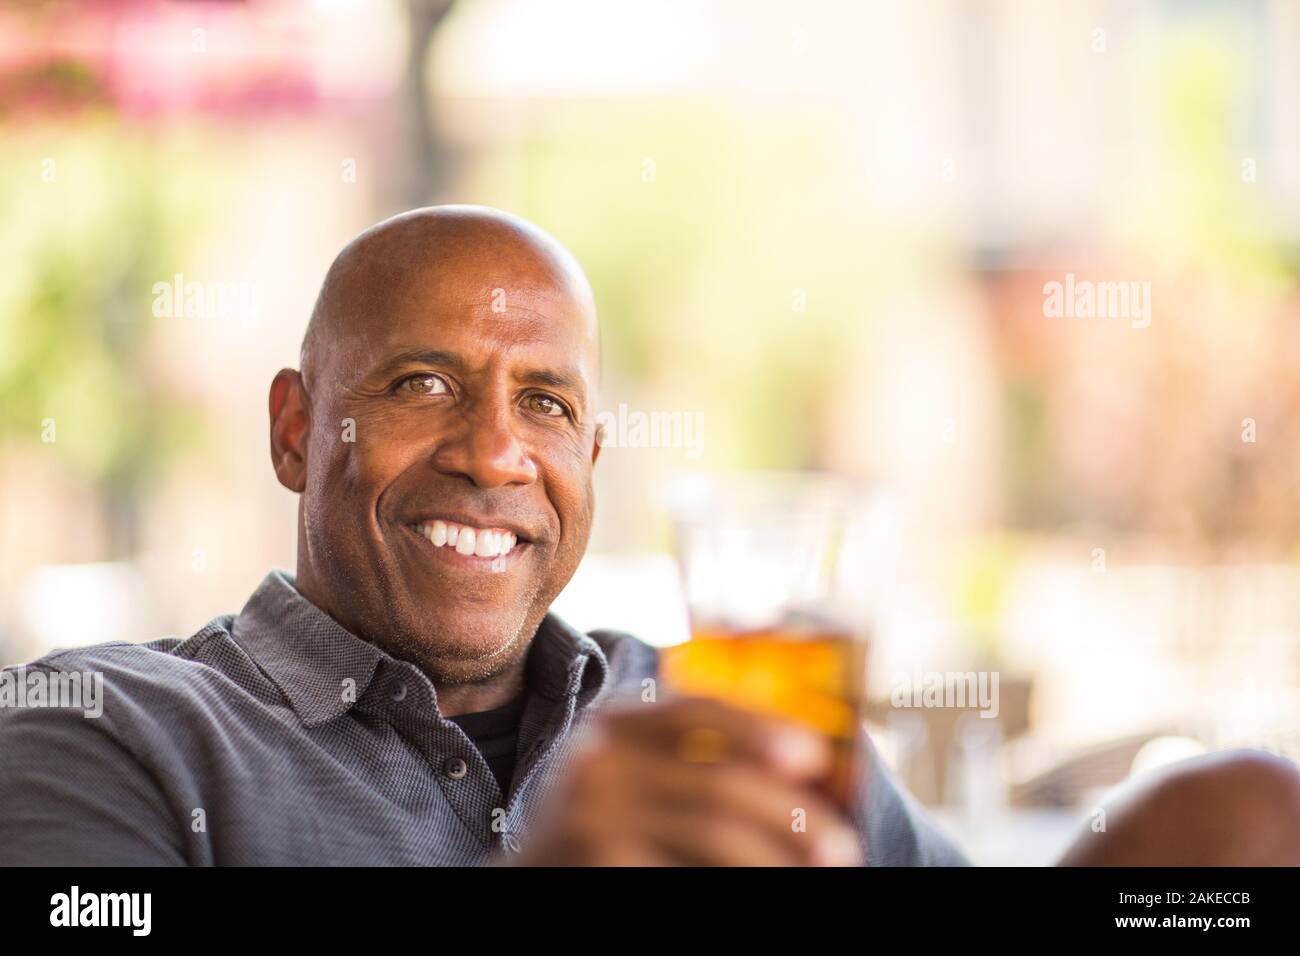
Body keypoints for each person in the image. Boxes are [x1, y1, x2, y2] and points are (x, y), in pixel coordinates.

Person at [0, 206, 963, 866]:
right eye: (422, 385)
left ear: (591, 459)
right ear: (296, 430)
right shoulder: (92, 728)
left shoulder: (729, 733)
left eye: (544, 403)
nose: (495, 454)